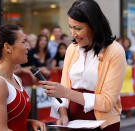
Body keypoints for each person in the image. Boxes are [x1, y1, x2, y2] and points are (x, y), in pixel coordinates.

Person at [40, 0, 126, 131]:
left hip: (103, 123)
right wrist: (63, 114)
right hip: (72, 121)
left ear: (94, 26)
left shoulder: (115, 51)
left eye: (78, 28)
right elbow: (64, 89)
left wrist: (67, 93)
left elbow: (107, 102)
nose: (73, 34)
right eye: (70, 27)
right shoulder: (72, 49)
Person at [0, 25, 47, 131]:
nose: (27, 47)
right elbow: (0, 129)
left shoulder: (16, 78)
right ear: (7, 47)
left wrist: (29, 123)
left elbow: (13, 120)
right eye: (23, 42)